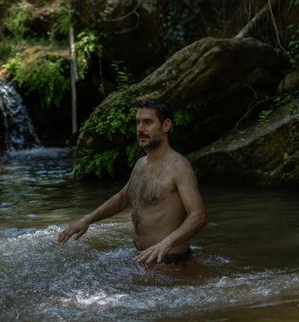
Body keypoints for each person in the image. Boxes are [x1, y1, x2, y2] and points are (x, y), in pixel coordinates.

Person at [58, 99, 206, 266]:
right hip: (141, 259)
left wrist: (166, 243)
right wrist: (88, 219)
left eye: (148, 122)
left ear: (166, 125)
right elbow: (123, 198)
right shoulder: (140, 164)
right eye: (138, 123)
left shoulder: (179, 167)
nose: (140, 129)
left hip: (170, 263)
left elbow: (198, 216)